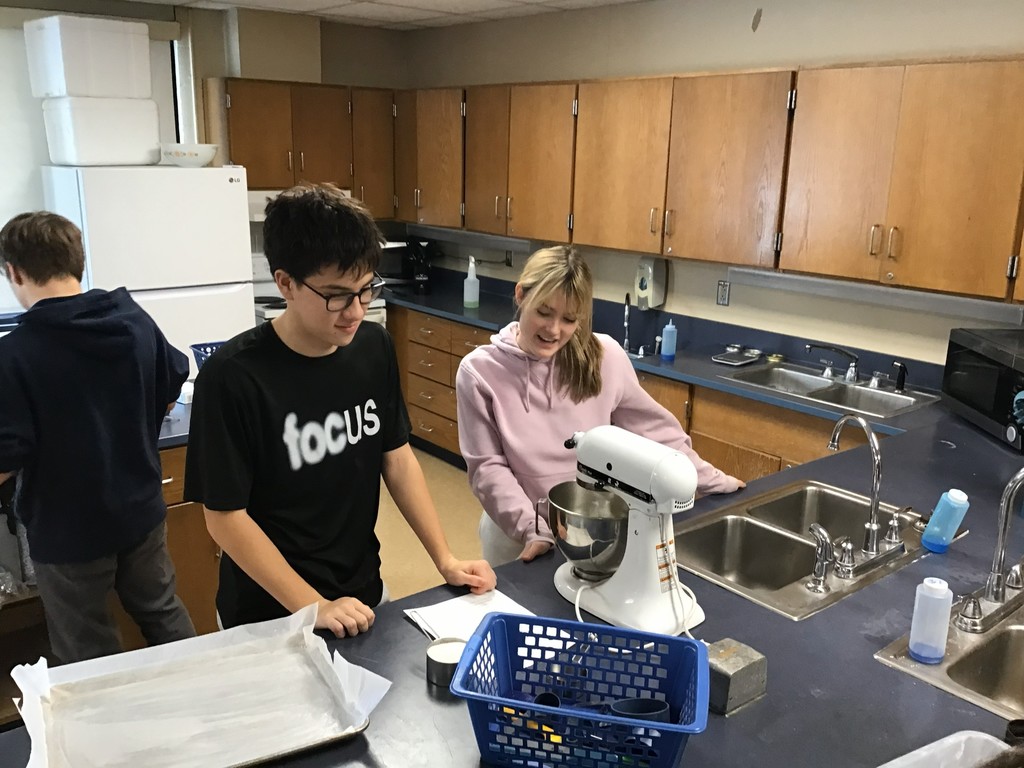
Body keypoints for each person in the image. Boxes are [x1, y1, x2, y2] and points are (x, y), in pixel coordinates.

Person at [183, 183, 496, 638]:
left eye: (366, 290)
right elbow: (225, 518)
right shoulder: (233, 377)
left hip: (362, 596)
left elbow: (397, 457)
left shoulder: (373, 347)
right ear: (286, 283)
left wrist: (444, 558)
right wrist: (314, 606)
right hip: (270, 615)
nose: (354, 311)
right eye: (336, 295)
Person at [456, 245, 746, 566]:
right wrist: (532, 529)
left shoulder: (604, 357)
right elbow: (488, 468)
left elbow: (657, 435)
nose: (554, 330)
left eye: (569, 319)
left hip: (595, 530)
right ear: (521, 295)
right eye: (543, 312)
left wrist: (711, 480)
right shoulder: (479, 372)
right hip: (520, 535)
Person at [0, 211, 196, 664]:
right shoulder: (132, 319)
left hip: (68, 531)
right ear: (78, 262)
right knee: (162, 612)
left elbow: (8, 456)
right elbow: (171, 388)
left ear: (15, 271)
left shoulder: (15, 353)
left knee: (88, 648)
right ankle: (204, 707)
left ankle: (113, 734)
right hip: (140, 508)